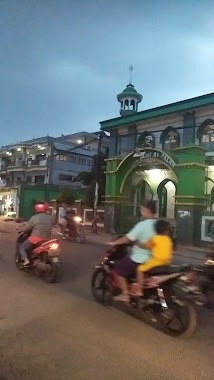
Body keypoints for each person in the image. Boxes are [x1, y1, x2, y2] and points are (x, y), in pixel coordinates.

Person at [108, 200, 157, 302]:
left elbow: (128, 238)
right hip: (156, 258)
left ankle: (125, 294)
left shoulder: (142, 225)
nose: (141, 211)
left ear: (146, 210)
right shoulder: (159, 224)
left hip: (141, 258)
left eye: (142, 209)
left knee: (119, 268)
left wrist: (114, 243)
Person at [135, 219, 173, 296]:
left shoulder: (155, 238)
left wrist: (137, 244)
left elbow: (145, 246)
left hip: (156, 262)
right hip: (167, 263)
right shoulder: (168, 239)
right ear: (166, 230)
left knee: (139, 269)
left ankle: (139, 290)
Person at [19, 201, 54, 267]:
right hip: (47, 239)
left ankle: (26, 260)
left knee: (22, 247)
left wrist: (22, 230)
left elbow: (27, 228)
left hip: (36, 239)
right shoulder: (51, 218)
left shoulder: (34, 217)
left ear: (36, 208)